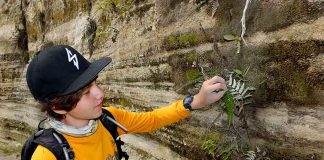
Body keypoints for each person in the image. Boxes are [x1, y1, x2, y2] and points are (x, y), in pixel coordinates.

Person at [25, 45, 227, 160]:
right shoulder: (48, 155)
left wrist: (196, 101)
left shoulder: (108, 120)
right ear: (59, 106)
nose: (100, 94)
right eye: (86, 93)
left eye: (96, 84)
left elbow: (151, 119)